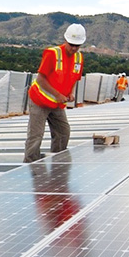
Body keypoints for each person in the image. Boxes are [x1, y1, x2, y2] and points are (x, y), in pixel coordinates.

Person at [24, 24, 86, 163]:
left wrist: (70, 93)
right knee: (36, 136)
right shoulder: (53, 53)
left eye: (78, 45)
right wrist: (58, 94)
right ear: (65, 40)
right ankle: (30, 167)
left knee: (63, 132)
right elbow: (40, 79)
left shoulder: (79, 58)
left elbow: (75, 77)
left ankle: (57, 163)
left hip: (57, 103)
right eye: (71, 45)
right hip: (40, 100)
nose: (74, 48)